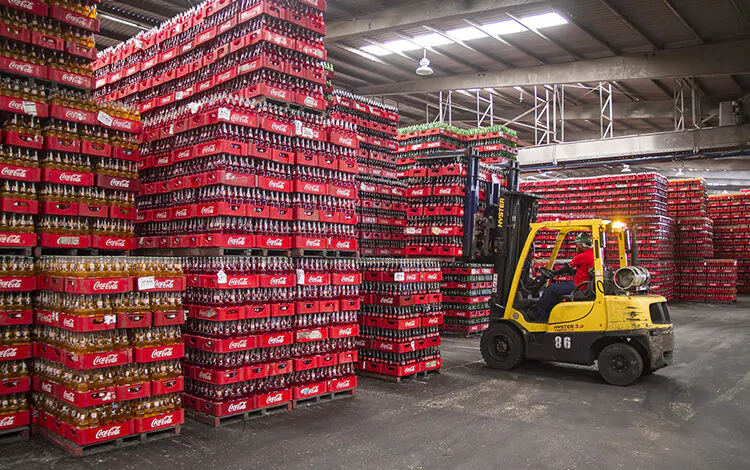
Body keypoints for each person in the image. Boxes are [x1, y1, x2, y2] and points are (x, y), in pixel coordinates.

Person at [534, 232, 595, 322]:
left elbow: (567, 267)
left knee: (551, 289)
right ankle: (549, 315)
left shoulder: (582, 256)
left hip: (579, 286)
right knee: (557, 290)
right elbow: (583, 269)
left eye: (577, 246)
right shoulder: (592, 253)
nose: (576, 248)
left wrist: (555, 272)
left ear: (581, 245)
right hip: (584, 284)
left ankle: (538, 315)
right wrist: (569, 272)